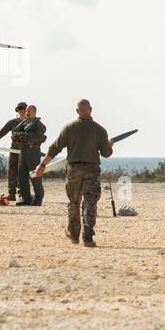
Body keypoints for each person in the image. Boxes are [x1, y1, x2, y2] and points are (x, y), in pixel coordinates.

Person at [33, 99, 113, 246]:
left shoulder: (69, 128)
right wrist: (109, 144)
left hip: (74, 169)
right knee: (90, 203)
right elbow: (106, 153)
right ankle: (88, 236)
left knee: (74, 202)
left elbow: (54, 148)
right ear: (91, 109)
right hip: (92, 170)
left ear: (77, 111)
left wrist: (42, 165)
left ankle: (74, 234)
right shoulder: (100, 130)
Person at [0, 102, 28, 203]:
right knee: (12, 172)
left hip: (26, 152)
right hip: (14, 150)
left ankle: (22, 193)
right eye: (20, 109)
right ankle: (12, 194)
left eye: (23, 108)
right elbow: (2, 132)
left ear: (26, 110)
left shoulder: (31, 123)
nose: (21, 110)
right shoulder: (13, 122)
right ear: (17, 111)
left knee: (23, 173)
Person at [14, 104, 47, 206]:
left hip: (33, 151)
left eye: (29, 111)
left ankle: (38, 199)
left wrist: (24, 136)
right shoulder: (24, 124)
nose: (27, 112)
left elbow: (37, 136)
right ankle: (26, 198)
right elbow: (16, 135)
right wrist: (18, 136)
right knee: (21, 175)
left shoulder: (39, 125)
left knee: (35, 175)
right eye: (26, 110)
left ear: (34, 112)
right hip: (23, 150)